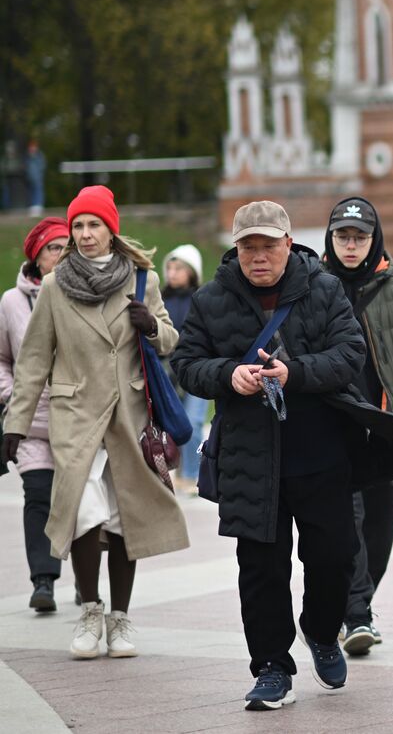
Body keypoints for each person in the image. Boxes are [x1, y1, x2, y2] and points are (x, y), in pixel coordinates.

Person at [171, 200, 393, 711]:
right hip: (250, 455)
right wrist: (229, 375)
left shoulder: (323, 288)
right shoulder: (212, 299)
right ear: (236, 249)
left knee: (334, 558)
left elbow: (349, 355)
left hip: (320, 451)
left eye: (268, 245)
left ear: (288, 244)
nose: (258, 256)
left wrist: (296, 373)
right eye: (248, 246)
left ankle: (320, 629)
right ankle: (271, 666)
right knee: (260, 569)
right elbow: (186, 363)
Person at [2, 186, 189, 659]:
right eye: (78, 226)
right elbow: (33, 362)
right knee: (84, 514)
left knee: (125, 518)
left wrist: (151, 325)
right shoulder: (54, 285)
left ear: (111, 230)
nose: (85, 235)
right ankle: (90, 611)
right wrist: (15, 424)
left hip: (128, 416)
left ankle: (120, 620)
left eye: (93, 225)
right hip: (76, 414)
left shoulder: (141, 278)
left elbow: (170, 341)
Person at [321, 197, 393, 657]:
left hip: (385, 430)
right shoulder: (313, 287)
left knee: (380, 534)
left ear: (375, 240)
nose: (351, 246)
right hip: (333, 430)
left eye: (359, 238)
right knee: (347, 524)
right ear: (330, 239)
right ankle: (356, 616)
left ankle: (358, 605)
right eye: (342, 237)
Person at [0, 217, 71, 612]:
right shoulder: (11, 301)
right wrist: (12, 397)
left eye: (66, 247)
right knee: (39, 495)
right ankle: (43, 580)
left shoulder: (80, 294)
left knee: (79, 501)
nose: (61, 255)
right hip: (31, 421)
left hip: (77, 417)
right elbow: (2, 358)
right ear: (36, 256)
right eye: (53, 248)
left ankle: (87, 579)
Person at [161, 244, 206, 490]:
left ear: (192, 271)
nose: (172, 273)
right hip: (168, 372)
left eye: (178, 268)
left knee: (193, 421)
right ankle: (172, 473)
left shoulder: (202, 299)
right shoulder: (159, 298)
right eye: (169, 267)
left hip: (197, 368)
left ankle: (193, 475)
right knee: (169, 423)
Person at [26, 139, 46, 215]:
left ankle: (38, 207)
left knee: (38, 192)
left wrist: (39, 175)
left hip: (38, 178)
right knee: (31, 193)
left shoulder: (39, 156)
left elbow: (42, 166)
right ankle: (32, 207)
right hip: (30, 179)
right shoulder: (28, 157)